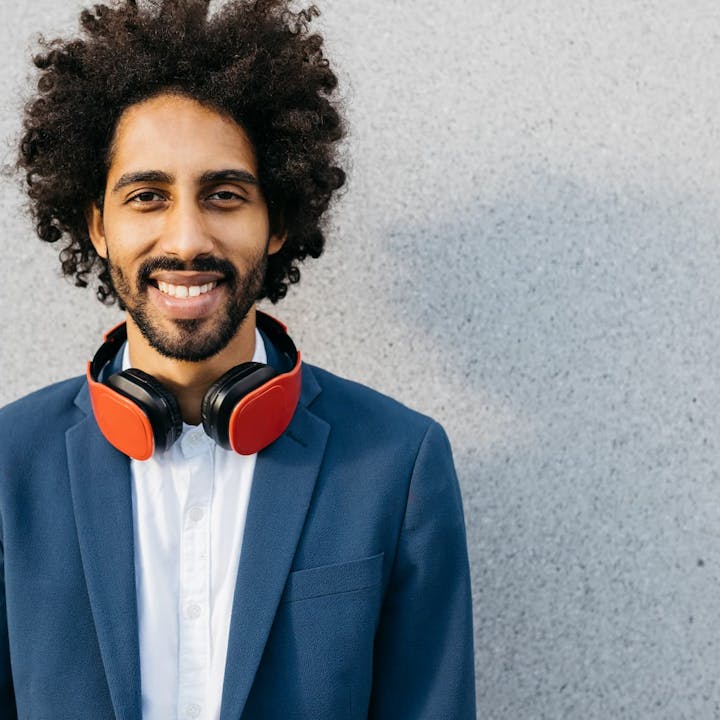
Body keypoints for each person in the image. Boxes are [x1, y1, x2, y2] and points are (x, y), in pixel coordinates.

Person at [0, 0, 476, 717]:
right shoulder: (8, 466)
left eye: (224, 195)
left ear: (277, 219)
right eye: (147, 196)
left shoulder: (398, 463)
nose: (186, 237)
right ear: (97, 225)